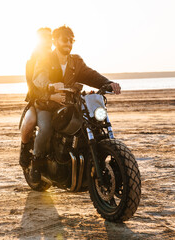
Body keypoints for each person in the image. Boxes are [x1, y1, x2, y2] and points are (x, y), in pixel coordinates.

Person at [29, 25, 121, 183]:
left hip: (70, 104)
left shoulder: (76, 61)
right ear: (56, 41)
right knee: (45, 129)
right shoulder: (45, 59)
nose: (68, 44)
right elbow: (39, 77)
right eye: (64, 40)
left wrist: (108, 83)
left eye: (71, 41)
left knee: (92, 124)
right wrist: (50, 86)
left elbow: (90, 75)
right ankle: (36, 163)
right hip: (47, 104)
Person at [19, 27, 52, 169]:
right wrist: (48, 95)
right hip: (37, 100)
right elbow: (33, 86)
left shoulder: (56, 57)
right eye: (44, 38)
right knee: (31, 121)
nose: (47, 41)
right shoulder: (31, 62)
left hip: (58, 101)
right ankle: (25, 149)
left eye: (49, 38)